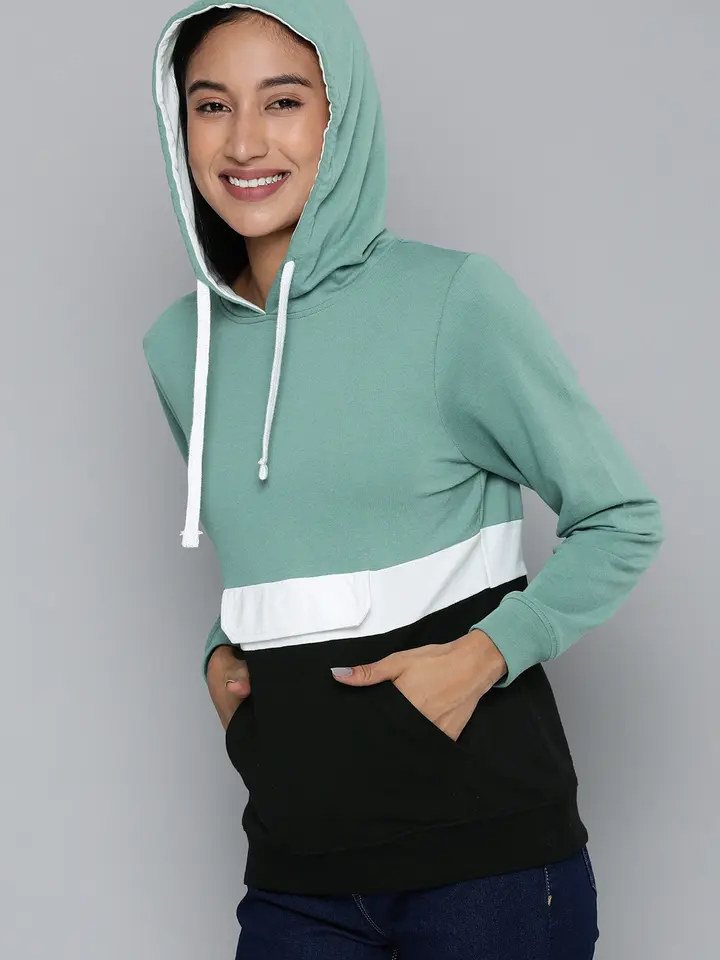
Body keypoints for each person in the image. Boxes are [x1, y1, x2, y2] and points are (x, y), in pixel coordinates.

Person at [142, 1, 664, 956]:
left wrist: (488, 654)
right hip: (295, 869)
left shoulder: (453, 301)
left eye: (283, 101)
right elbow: (268, 543)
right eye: (212, 105)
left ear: (340, 117)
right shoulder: (182, 348)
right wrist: (220, 654)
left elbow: (621, 516)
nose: (245, 141)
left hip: (489, 868)